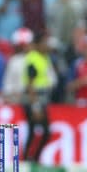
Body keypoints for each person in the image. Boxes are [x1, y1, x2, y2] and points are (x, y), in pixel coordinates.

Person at [23, 32, 57, 163]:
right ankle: (29, 159)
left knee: (37, 131)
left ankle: (31, 159)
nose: (46, 45)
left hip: (42, 98)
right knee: (39, 131)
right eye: (43, 42)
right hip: (33, 100)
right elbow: (30, 84)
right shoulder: (33, 59)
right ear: (36, 45)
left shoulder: (44, 57)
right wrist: (35, 106)